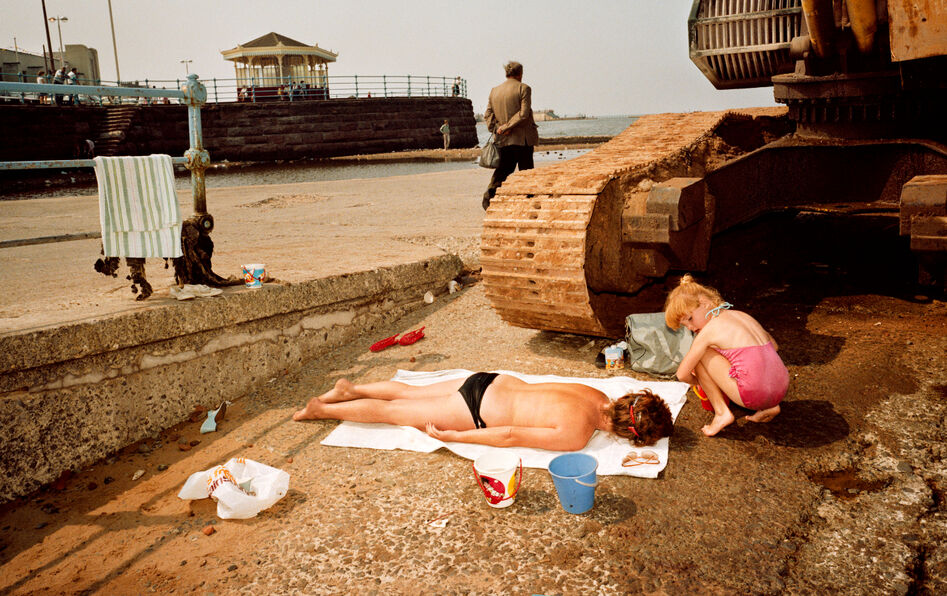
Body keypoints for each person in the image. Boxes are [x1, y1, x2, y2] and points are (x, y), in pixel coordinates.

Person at [293, 373, 674, 451]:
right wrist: (457, 436)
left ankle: (350, 389)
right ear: (628, 433)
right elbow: (509, 435)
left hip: (489, 381)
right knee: (394, 413)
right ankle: (321, 410)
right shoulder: (578, 434)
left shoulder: (596, 394)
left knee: (411, 392)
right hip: (477, 408)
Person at [665, 275, 789, 437]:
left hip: (754, 394)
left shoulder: (708, 331)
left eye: (690, 319)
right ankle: (770, 405)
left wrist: (701, 382)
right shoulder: (742, 315)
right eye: (684, 325)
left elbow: (682, 374)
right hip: (781, 386)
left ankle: (721, 413)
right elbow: (774, 346)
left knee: (701, 354)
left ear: (705, 302)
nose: (690, 327)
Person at [482, 61, 539, 210]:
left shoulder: (494, 91)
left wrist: (498, 129)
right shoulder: (524, 88)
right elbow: (523, 114)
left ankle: (488, 198)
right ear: (520, 74)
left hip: (504, 139)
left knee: (503, 171)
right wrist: (507, 127)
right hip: (523, 139)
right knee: (526, 172)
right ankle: (528, 202)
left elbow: (487, 115)